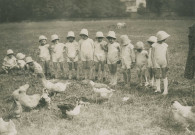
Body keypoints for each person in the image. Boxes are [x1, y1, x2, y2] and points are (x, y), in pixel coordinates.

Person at [152, 31, 170, 95]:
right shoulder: (154, 45)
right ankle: (158, 88)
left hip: (164, 62)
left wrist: (168, 63)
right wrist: (154, 64)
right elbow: (152, 55)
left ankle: (165, 90)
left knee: (164, 75)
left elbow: (167, 55)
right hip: (156, 62)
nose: (165, 39)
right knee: (157, 75)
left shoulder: (165, 45)